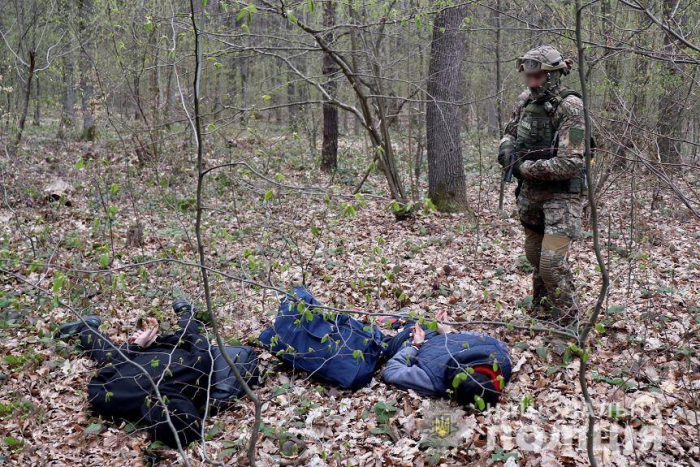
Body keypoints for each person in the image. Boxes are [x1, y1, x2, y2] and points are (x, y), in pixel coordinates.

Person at [497, 45, 587, 324]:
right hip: (531, 195)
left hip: (562, 196)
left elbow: (571, 162)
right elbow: (509, 133)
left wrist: (525, 167)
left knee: (551, 264)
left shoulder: (571, 107)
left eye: (539, 77)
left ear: (554, 75)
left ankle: (569, 322)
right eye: (529, 76)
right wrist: (506, 151)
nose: (533, 82)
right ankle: (543, 308)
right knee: (535, 256)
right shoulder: (525, 101)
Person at [57, 300, 216, 449]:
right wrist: (157, 340)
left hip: (132, 358)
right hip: (167, 348)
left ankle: (86, 328)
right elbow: (197, 341)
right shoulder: (195, 375)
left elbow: (98, 385)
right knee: (185, 333)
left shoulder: (130, 395)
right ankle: (186, 312)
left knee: (109, 356)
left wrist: (137, 347)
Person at [381, 311, 511, 407]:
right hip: (437, 334)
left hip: (414, 339)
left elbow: (392, 370)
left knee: (384, 342)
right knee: (410, 324)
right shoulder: (502, 361)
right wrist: (449, 334)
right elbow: (392, 372)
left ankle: (392, 325)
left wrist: (415, 346)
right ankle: (399, 321)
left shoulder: (501, 360)